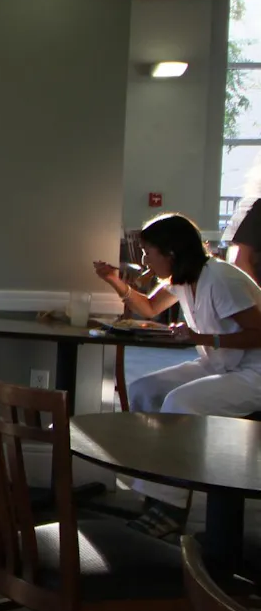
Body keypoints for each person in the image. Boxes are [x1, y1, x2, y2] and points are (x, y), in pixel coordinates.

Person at [94, 212, 261, 538]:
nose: (144, 259)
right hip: (223, 362)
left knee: (181, 402)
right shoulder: (184, 279)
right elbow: (149, 309)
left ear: (170, 253)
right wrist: (115, 281)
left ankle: (170, 508)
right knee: (145, 390)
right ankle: (154, 494)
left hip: (254, 371)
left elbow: (259, 333)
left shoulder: (222, 279)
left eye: (148, 252)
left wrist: (201, 339)